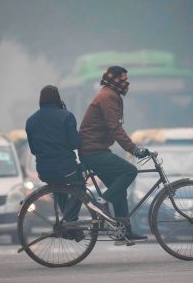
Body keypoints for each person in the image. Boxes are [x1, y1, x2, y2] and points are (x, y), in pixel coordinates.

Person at [79, 66, 150, 243]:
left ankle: (123, 232)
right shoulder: (108, 96)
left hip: (97, 149)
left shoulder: (110, 95)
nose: (126, 84)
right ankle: (102, 203)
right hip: (93, 151)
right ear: (114, 80)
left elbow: (114, 127)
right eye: (123, 80)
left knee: (119, 192)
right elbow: (115, 127)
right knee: (130, 171)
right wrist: (133, 149)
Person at [25, 85, 83, 241]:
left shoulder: (31, 121)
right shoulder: (66, 116)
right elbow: (74, 143)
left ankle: (70, 227)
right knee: (81, 187)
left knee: (60, 190)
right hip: (66, 168)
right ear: (57, 98)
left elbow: (33, 149)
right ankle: (70, 223)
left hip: (44, 170)